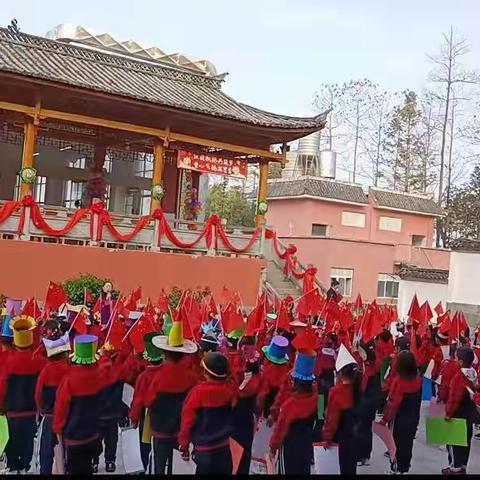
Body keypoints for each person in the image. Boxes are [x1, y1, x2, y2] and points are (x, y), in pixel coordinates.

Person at [145, 321, 198, 474]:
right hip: (180, 430)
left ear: (164, 353)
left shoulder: (156, 377)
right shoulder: (191, 377)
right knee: (176, 468)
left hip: (160, 430)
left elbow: (149, 401)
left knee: (159, 466)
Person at [53, 334, 105, 475]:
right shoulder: (99, 376)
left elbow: (61, 406)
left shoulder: (69, 380)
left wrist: (57, 428)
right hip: (94, 433)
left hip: (74, 435)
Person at [0, 315, 45, 473]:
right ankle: (25, 466)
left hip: (11, 410)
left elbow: (2, 385)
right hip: (31, 409)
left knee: (11, 441)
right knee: (27, 441)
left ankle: (13, 466)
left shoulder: (7, 361)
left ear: (14, 341)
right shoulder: (39, 361)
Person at [178, 352, 235, 475]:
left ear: (205, 371)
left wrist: (184, 445)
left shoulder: (197, 393)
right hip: (225, 453)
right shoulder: (229, 390)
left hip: (204, 455)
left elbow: (187, 422)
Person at [269, 350, 317, 475]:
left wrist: (273, 446)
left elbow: (280, 430)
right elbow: (322, 417)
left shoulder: (289, 405)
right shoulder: (320, 396)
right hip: (307, 445)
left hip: (290, 447)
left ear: (295, 381)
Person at [35, 320, 71, 474]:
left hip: (49, 416)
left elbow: (38, 395)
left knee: (46, 453)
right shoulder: (70, 369)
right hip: (68, 417)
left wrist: (42, 410)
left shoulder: (46, 371)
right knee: (68, 452)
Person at [322, 344, 362, 475]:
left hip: (340, 437)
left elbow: (331, 418)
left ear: (339, 373)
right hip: (353, 436)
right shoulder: (358, 389)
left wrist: (326, 438)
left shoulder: (335, 392)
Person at [381, 350, 422, 474]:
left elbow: (393, 403)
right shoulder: (418, 379)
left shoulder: (398, 381)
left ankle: (395, 468)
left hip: (399, 418)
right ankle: (404, 468)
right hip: (413, 416)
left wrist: (385, 419)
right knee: (408, 444)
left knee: (395, 443)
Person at [130, 331, 164, 473]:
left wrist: (134, 417)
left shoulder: (144, 377)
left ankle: (146, 467)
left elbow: (138, 399)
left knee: (146, 447)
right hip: (168, 418)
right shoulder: (166, 372)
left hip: (148, 417)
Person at [442, 346, 479, 475]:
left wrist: (448, 413)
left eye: (456, 358)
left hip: (457, 414)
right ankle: (463, 465)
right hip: (469, 415)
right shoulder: (473, 374)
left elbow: (454, 398)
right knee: (466, 441)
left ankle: (454, 467)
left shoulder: (459, 378)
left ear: (461, 362)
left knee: (453, 442)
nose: (455, 360)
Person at [93, 343, 127, 473]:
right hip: (113, 413)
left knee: (96, 438)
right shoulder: (117, 372)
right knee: (112, 440)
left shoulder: (94, 373)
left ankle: (94, 462)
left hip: (98, 413)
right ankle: (110, 462)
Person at [231, 353, 261, 474]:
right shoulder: (259, 381)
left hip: (235, 422)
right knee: (245, 453)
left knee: (233, 454)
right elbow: (258, 405)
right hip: (248, 422)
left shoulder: (236, 381)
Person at [357, 340, 382, 467]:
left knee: (361, 428)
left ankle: (362, 455)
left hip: (365, 402)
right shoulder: (374, 364)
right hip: (371, 403)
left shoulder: (367, 370)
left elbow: (362, 387)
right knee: (367, 429)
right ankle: (365, 456)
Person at [258, 335, 290, 419]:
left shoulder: (268, 370)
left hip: (267, 406)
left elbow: (263, 392)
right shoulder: (286, 368)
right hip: (278, 407)